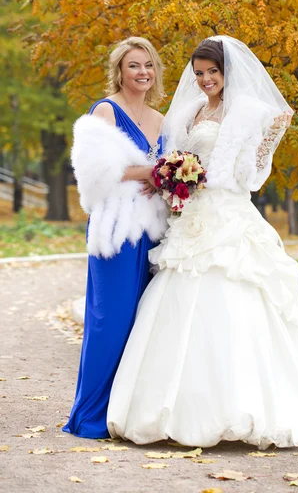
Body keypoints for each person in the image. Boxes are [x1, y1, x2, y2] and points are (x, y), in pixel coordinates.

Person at [107, 35, 298, 449]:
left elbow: (251, 174)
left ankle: (241, 408)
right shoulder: (190, 111)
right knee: (176, 302)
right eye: (199, 73)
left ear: (228, 72)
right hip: (189, 218)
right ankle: (169, 410)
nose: (206, 79)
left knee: (233, 297)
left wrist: (266, 138)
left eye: (213, 72)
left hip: (226, 218)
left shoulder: (248, 113)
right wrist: (174, 177)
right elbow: (172, 157)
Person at [62, 37, 168, 439]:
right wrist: (153, 173)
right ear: (119, 72)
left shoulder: (160, 119)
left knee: (144, 322)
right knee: (111, 319)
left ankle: (123, 413)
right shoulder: (105, 111)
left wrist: (168, 180)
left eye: (148, 66)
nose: (142, 73)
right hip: (117, 229)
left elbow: (168, 171)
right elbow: (97, 172)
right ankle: (88, 416)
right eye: (133, 66)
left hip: (154, 229)